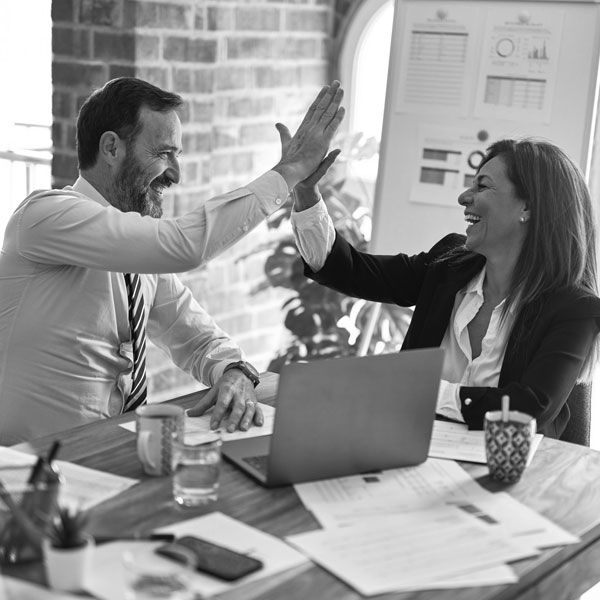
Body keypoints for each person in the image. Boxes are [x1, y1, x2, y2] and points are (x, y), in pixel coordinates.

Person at [0, 77, 344, 445]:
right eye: (164, 153)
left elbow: (196, 337)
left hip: (111, 454)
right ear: (112, 148)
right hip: (26, 471)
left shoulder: (137, 252)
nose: (175, 175)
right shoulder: (45, 215)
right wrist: (289, 171)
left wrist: (234, 369)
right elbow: (185, 245)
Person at [290, 138, 600, 438]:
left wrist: (423, 392)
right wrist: (306, 191)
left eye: (483, 186)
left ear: (527, 208)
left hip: (512, 475)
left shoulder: (574, 309)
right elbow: (350, 271)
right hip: (412, 450)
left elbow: (530, 408)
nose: (464, 197)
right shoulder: (448, 264)